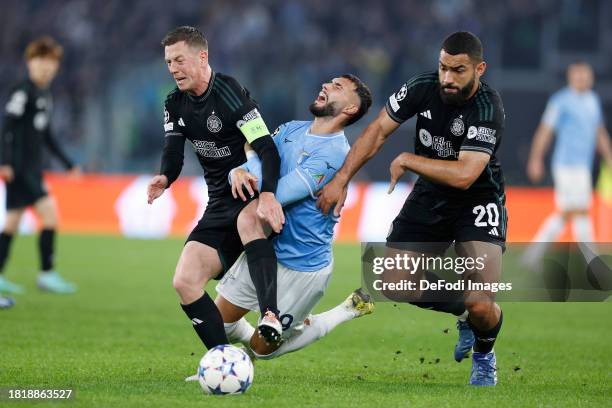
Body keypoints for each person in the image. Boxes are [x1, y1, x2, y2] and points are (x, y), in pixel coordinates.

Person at [317, 32, 506, 386]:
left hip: (477, 201)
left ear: (479, 69)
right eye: (443, 67)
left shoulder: (487, 107)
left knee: (483, 303)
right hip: (430, 197)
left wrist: (409, 159)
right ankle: (464, 311)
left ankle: (484, 352)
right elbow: (376, 131)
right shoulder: (423, 86)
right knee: (394, 281)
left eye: (458, 70)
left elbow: (466, 175)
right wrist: (341, 179)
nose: (448, 78)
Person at [213, 75, 374, 360]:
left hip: (302, 265)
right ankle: (239, 358)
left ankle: (346, 309)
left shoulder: (335, 154)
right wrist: (236, 171)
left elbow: (277, 193)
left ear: (350, 109)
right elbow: (251, 172)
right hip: (264, 248)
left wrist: (250, 160)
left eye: (337, 87)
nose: (325, 85)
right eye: (328, 82)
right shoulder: (290, 129)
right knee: (219, 324)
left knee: (261, 349)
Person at [146, 26, 285, 351]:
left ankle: (271, 315)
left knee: (249, 221)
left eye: (179, 60)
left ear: (202, 56)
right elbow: (173, 151)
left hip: (251, 197)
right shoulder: (174, 103)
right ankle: (221, 360)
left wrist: (267, 194)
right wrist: (165, 177)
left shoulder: (230, 92)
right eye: (168, 62)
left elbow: (267, 148)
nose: (173, 68)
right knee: (185, 282)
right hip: (220, 203)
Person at [0, 36, 80, 295]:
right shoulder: (22, 91)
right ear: (29, 63)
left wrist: (67, 164)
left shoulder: (44, 94)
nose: (45, 67)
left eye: (50, 62)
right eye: (40, 61)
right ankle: (46, 274)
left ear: (56, 66)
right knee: (50, 215)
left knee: (11, 223)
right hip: (21, 170)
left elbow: (46, 135)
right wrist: (5, 161)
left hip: (30, 169)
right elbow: (6, 128)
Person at [525, 62, 612, 265]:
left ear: (591, 77)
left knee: (569, 211)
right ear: (570, 77)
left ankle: (532, 256)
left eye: (585, 75)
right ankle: (592, 259)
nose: (582, 78)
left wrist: (609, 155)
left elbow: (600, 133)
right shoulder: (560, 101)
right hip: (566, 164)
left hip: (583, 166)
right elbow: (545, 131)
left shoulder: (592, 101)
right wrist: (535, 158)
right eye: (578, 75)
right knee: (578, 209)